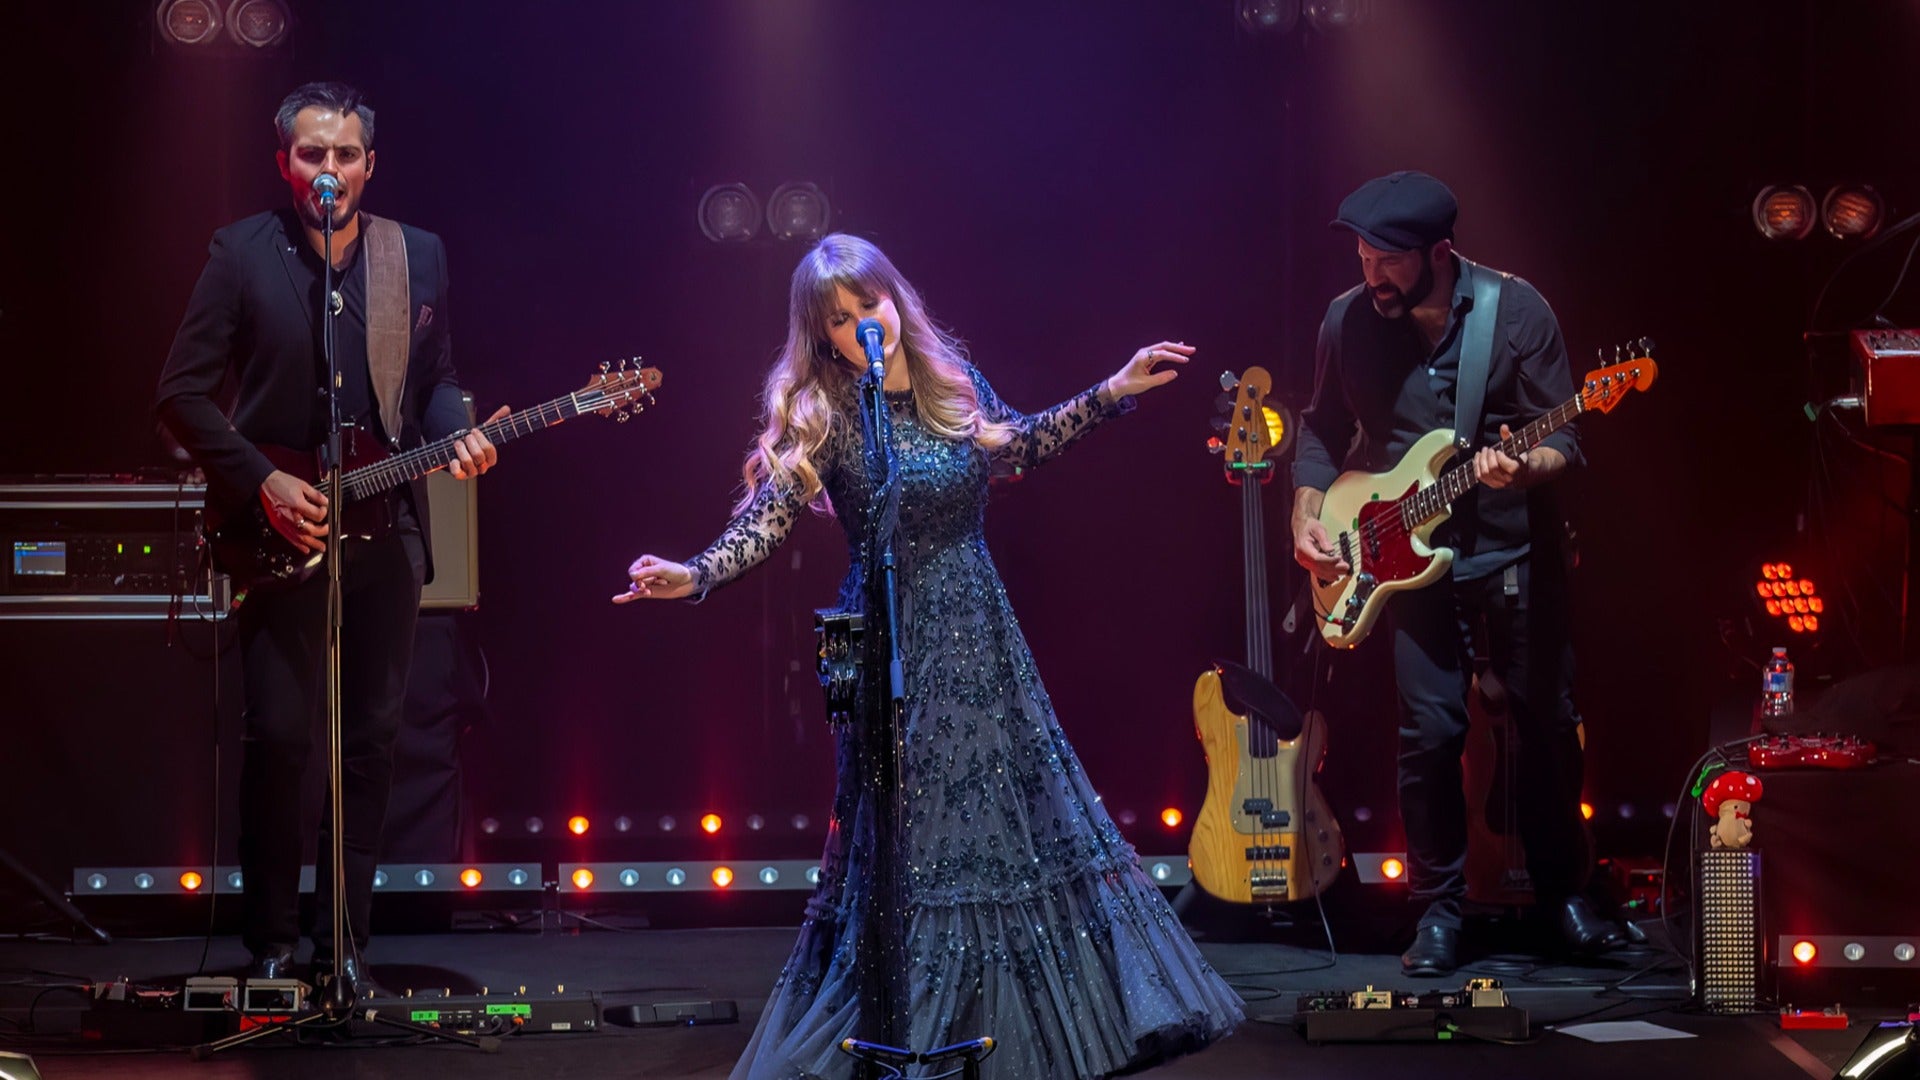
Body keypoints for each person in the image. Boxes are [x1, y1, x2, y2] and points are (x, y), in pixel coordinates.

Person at [614, 233, 1243, 1078]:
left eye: (868, 304)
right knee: (906, 836)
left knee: (994, 827)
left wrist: (1112, 391)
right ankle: (900, 1023)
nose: (861, 325)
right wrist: (690, 576)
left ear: (895, 298)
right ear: (821, 334)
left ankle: (1017, 1026)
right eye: (839, 320)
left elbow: (1017, 445)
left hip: (976, 628)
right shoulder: (825, 411)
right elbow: (762, 525)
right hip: (877, 640)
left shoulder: (951, 383)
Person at [155, 81, 505, 996]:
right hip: (277, 530)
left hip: (384, 535)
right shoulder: (239, 253)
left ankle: (343, 947)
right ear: (286, 164)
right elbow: (181, 394)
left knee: (372, 745)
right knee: (280, 738)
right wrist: (262, 480)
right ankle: (270, 941)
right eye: (313, 154)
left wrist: (452, 431)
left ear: (369, 165)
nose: (330, 170)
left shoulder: (412, 255)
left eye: (345, 154)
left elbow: (433, 381)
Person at [1289, 171, 1626, 977]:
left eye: (1391, 259)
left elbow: (1564, 443)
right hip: (1404, 561)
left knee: (1547, 723)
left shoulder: (1516, 312)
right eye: (1365, 254)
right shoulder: (1348, 320)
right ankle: (1437, 911)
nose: (1373, 273)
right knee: (1429, 734)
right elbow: (1321, 429)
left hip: (1512, 548)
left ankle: (1564, 897)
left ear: (1439, 253)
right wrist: (1306, 514)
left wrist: (1527, 464)